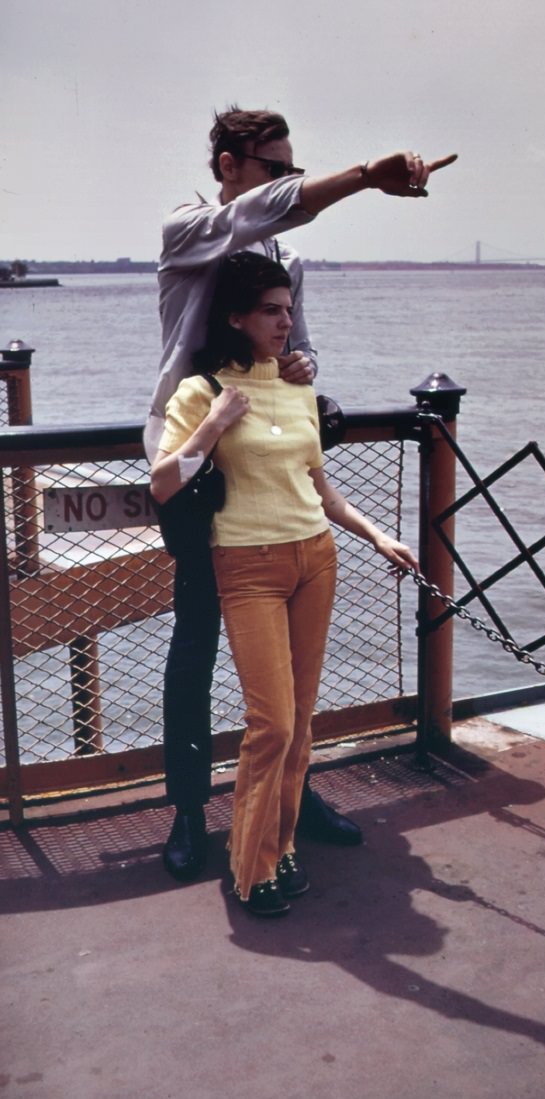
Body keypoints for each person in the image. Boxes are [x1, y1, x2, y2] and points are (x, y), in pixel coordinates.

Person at [145, 106, 455, 881]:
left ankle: (294, 791)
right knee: (195, 645)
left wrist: (305, 367)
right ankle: (187, 812)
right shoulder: (190, 225)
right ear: (228, 164)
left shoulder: (281, 259)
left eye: (293, 166)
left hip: (264, 467)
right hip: (196, 460)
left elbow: (300, 342)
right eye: (274, 165)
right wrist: (362, 178)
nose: (286, 179)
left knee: (288, 660)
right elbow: (260, 211)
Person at [150, 252, 419, 916]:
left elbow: (319, 489)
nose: (284, 322)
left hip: (314, 558)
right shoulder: (198, 392)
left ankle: (279, 840)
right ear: (236, 316)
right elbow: (161, 482)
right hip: (245, 564)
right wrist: (214, 424)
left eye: (289, 310)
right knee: (269, 721)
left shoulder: (299, 390)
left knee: (300, 723)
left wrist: (378, 534)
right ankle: (251, 867)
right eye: (270, 310)